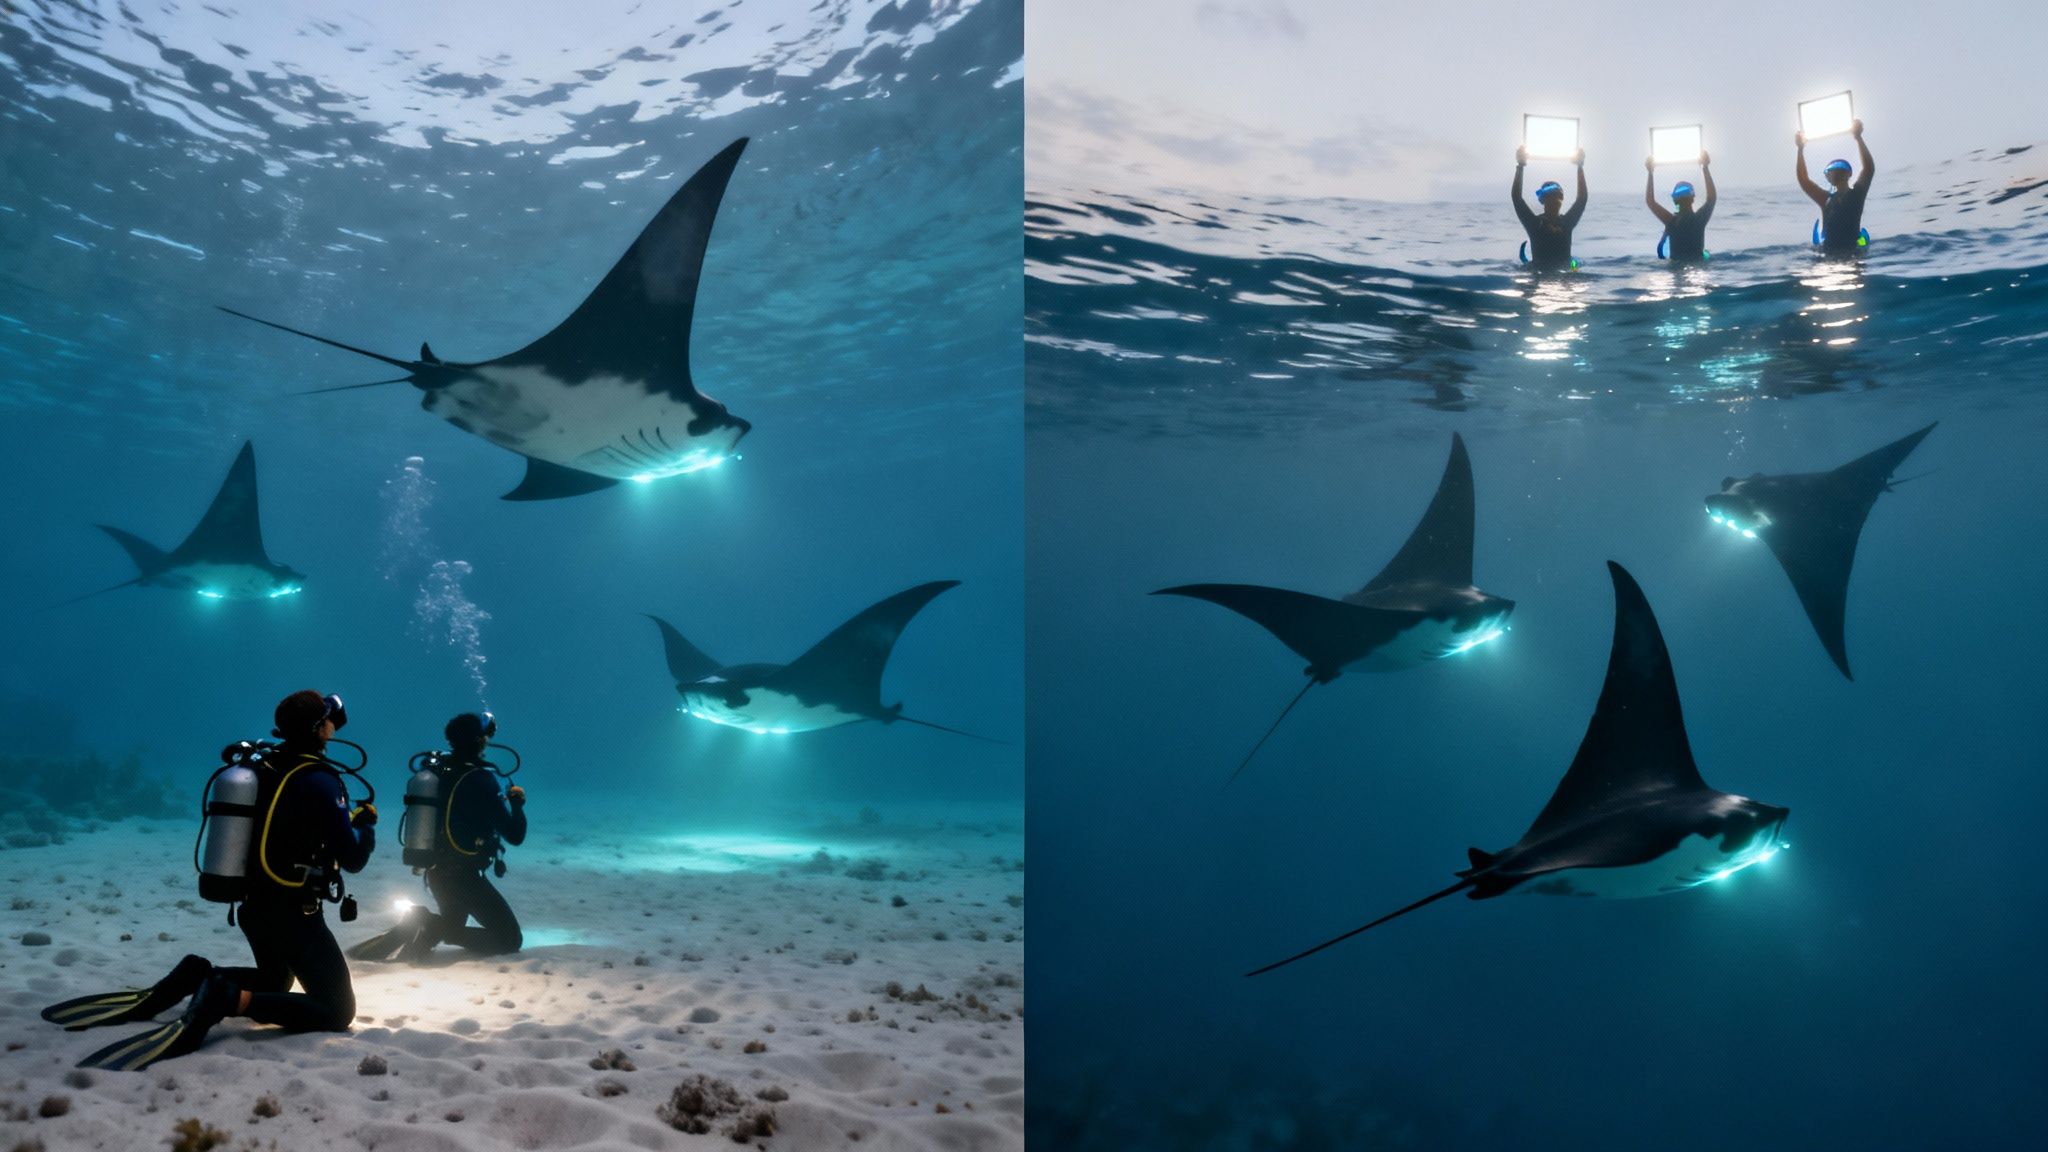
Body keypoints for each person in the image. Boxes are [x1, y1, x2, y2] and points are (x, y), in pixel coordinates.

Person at [47, 691, 377, 1070]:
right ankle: (223, 998)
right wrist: (365, 825)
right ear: (319, 728)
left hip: (254, 907)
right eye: (328, 720)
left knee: (274, 979)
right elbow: (352, 859)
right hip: (293, 914)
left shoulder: (265, 762)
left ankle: (196, 975)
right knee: (337, 1010)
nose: (335, 725)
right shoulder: (320, 781)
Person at [355, 710, 526, 963]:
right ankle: (426, 923)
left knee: (453, 925)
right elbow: (514, 835)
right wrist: (517, 804)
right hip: (463, 878)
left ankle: (427, 926)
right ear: (480, 741)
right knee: (510, 940)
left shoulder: (439, 770)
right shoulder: (481, 780)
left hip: (437, 873)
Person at [1797, 119, 1874, 256]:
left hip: (1852, 253)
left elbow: (1868, 169)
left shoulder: (1857, 194)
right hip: (1829, 255)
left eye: (1842, 167)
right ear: (1827, 177)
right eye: (1831, 169)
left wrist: (1858, 138)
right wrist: (1800, 149)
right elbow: (1804, 181)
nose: (1837, 170)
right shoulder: (1825, 199)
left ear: (1849, 174)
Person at [1512, 145, 1588, 270]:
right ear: (1543, 200)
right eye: (1550, 196)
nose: (1554, 199)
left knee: (1575, 267)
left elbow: (1582, 199)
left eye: (1557, 195)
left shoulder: (1567, 223)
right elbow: (1517, 199)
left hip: (1564, 275)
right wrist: (1520, 166)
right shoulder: (1535, 224)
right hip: (1541, 274)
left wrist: (1580, 166)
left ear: (1562, 198)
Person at [1646, 152, 1716, 262]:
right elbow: (1712, 198)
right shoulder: (1699, 220)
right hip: (1698, 265)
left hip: (1676, 269)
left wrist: (1650, 172)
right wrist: (1705, 167)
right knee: (1706, 255)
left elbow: (1650, 201)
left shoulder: (1670, 222)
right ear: (1693, 198)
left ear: (1674, 200)